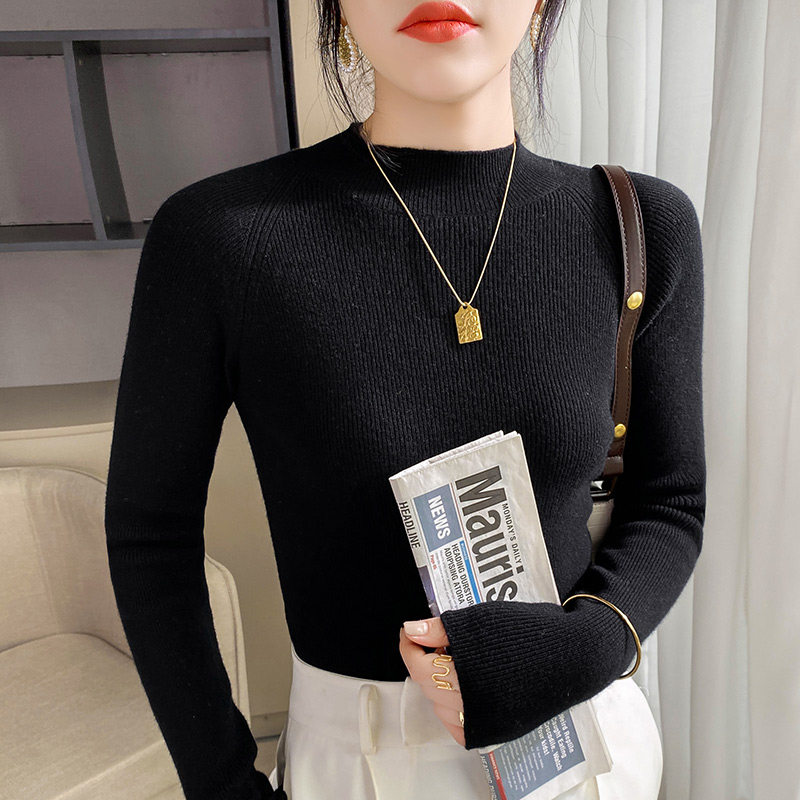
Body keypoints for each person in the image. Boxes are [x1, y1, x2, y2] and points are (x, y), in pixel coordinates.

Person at [104, 0, 706, 798]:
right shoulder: (223, 236)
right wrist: (222, 786)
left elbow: (671, 498)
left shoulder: (641, 225)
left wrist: (589, 644)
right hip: (359, 758)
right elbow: (150, 535)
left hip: (588, 740)